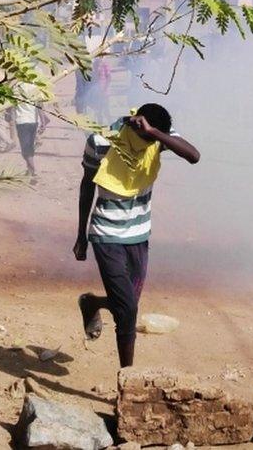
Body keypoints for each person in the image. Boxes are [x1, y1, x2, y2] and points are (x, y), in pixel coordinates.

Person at [74, 104, 200, 368]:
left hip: (139, 234)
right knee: (128, 311)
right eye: (149, 134)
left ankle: (92, 303)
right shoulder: (100, 142)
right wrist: (81, 235)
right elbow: (87, 187)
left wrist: (154, 132)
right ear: (135, 123)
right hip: (106, 234)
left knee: (126, 304)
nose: (153, 142)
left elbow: (193, 155)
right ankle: (127, 378)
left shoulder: (157, 136)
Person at [13, 82, 45, 180]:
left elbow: (11, 104)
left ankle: (33, 171)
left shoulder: (16, 87)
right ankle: (29, 170)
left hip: (22, 121)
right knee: (29, 147)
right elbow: (40, 106)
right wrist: (43, 121)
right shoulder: (35, 87)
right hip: (33, 121)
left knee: (25, 149)